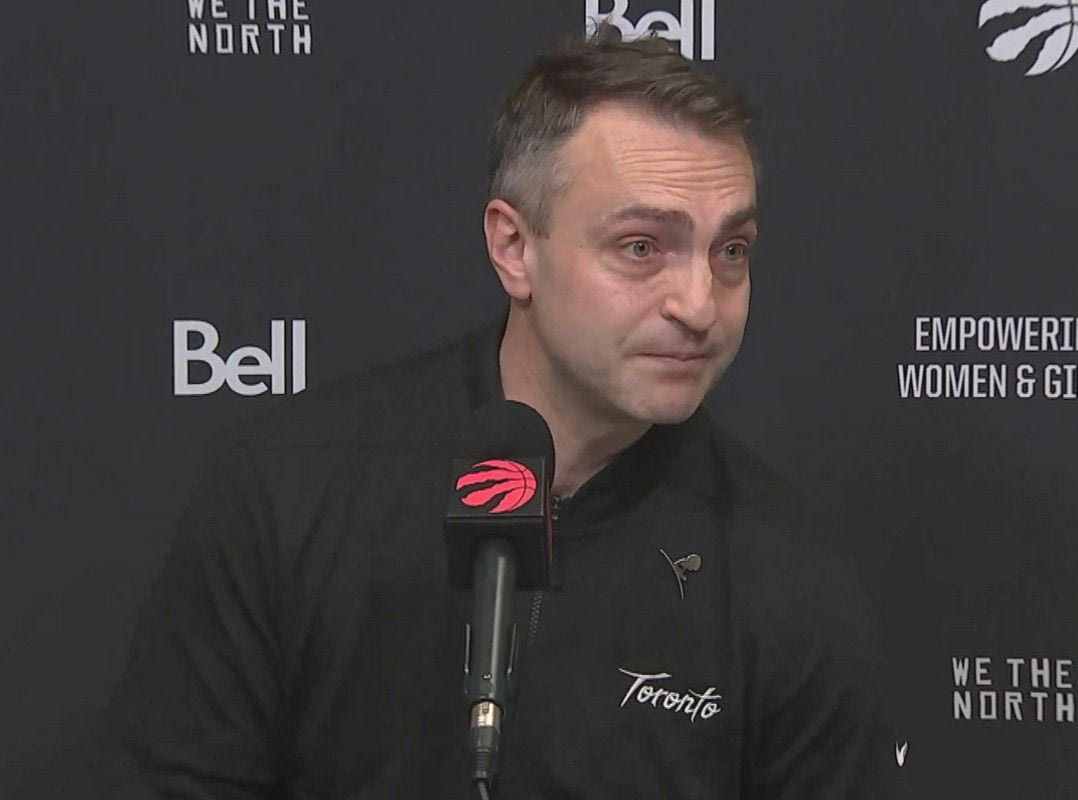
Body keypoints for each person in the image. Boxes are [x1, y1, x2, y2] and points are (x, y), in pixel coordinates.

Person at [94, 23, 895, 799]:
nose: (699, 304)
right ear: (515, 248)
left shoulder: (791, 575)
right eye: (642, 246)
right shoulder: (288, 492)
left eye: (731, 251)